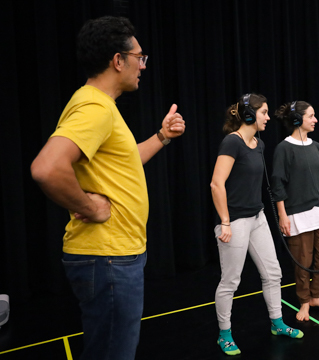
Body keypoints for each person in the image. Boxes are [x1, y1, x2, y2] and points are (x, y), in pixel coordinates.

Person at [30, 16, 185, 360]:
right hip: (108, 259)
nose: (142, 66)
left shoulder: (99, 106)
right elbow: (46, 168)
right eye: (139, 58)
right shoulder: (95, 108)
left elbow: (124, 165)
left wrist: (162, 137)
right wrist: (89, 206)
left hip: (113, 257)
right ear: (118, 60)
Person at [210, 94, 303, 356]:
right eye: (263, 112)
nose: (268, 117)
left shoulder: (258, 144)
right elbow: (217, 184)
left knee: (273, 273)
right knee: (231, 281)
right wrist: (226, 222)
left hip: (257, 217)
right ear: (249, 116)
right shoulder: (232, 143)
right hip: (234, 221)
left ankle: (277, 323)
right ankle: (224, 335)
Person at [271, 101, 319, 321]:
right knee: (303, 261)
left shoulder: (316, 146)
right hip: (296, 214)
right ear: (298, 120)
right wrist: (282, 215)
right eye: (311, 116)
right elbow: (278, 184)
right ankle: (304, 301)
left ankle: (316, 295)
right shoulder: (284, 148)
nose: (315, 120)